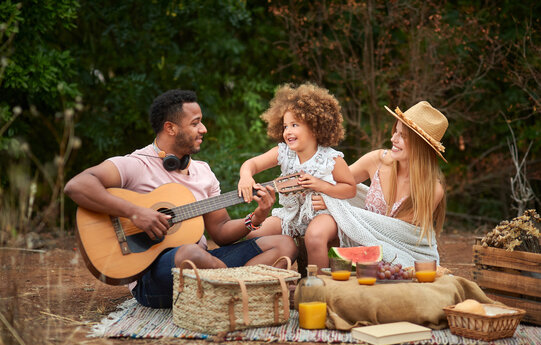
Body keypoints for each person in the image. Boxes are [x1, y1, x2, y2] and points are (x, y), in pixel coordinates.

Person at [64, 89, 298, 308]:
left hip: (205, 265)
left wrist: (255, 218)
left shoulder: (203, 172)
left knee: (284, 244)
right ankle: (243, 289)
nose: (204, 129)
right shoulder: (136, 164)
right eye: (195, 123)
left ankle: (230, 291)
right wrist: (136, 213)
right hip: (154, 275)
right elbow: (77, 186)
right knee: (190, 253)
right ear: (171, 128)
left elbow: (221, 231)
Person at [309, 100, 448, 269]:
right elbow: (335, 181)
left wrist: (337, 206)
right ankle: (317, 286)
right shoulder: (377, 160)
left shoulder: (432, 189)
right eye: (395, 131)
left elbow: (392, 232)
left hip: (397, 252)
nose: (393, 139)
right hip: (357, 235)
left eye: (402, 136)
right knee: (317, 232)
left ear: (421, 146)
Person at [237, 83, 356, 246]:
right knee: (254, 235)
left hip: (323, 214)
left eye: (294, 125)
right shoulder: (284, 152)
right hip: (291, 214)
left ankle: (316, 272)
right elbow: (252, 164)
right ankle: (272, 269)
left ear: (315, 127)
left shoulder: (331, 158)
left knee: (314, 237)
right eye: (285, 126)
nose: (287, 131)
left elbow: (350, 189)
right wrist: (245, 176)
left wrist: (322, 186)